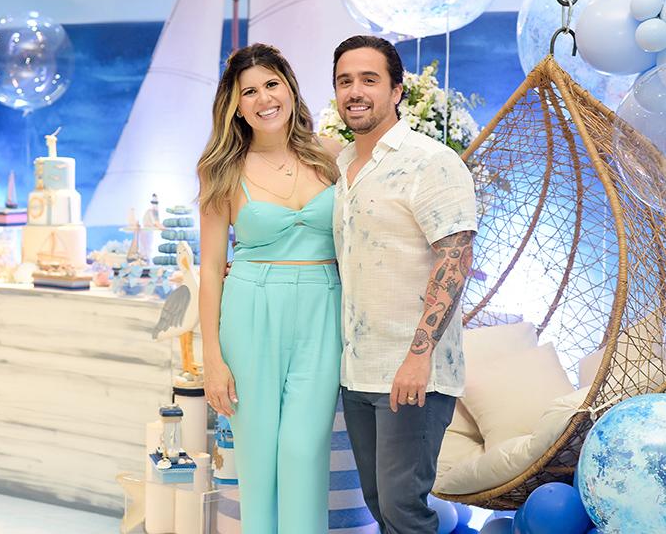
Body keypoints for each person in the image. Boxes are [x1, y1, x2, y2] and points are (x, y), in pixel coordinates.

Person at [331, 35, 478, 533]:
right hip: (358, 370)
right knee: (380, 505)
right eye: (345, 81)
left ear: (396, 91)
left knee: (403, 510)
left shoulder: (430, 161)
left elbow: (455, 257)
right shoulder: (343, 167)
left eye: (369, 80)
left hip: (413, 371)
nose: (355, 91)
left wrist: (418, 356)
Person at [197, 43, 342, 534]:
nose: (264, 99)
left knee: (304, 449)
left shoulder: (332, 155)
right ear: (235, 106)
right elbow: (210, 267)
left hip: (323, 308)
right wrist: (212, 359)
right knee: (258, 460)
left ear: (291, 88)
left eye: (272, 84)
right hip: (251, 309)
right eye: (249, 91)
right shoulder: (221, 169)